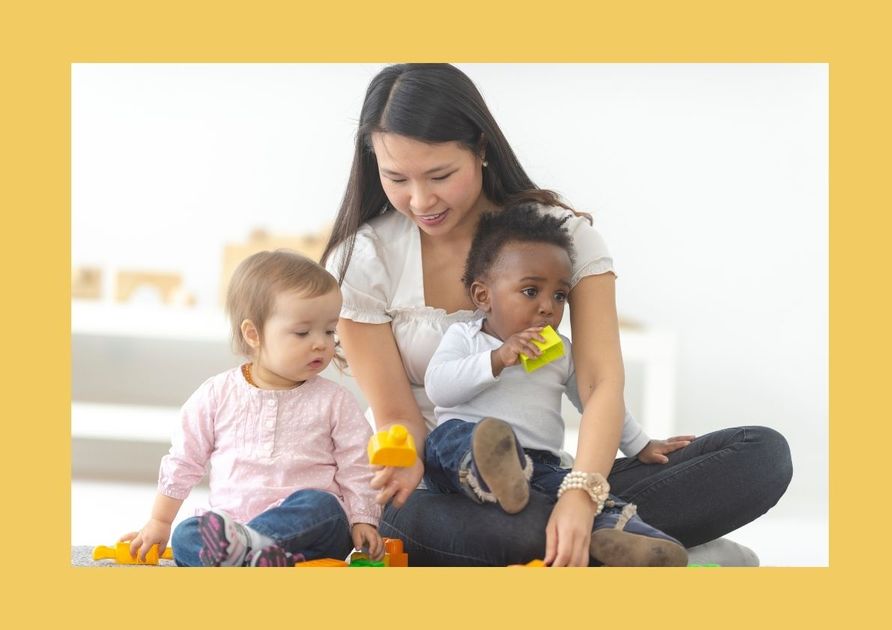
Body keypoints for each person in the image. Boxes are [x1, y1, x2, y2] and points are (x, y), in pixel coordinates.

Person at [322, 63, 792, 567]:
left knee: (761, 455)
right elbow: (398, 416)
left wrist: (581, 492)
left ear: (481, 149)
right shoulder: (363, 259)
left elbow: (597, 384)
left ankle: (592, 534)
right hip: (432, 482)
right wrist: (409, 465)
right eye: (396, 178)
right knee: (504, 528)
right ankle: (646, 544)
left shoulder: (561, 238)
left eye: (440, 175)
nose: (420, 200)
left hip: (548, 474)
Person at [422, 203, 688, 566]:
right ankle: (491, 472)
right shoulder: (466, 338)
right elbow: (438, 387)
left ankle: (628, 538)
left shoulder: (559, 351)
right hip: (457, 460)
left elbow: (596, 400)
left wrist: (640, 443)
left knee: (584, 489)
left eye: (559, 295)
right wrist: (498, 359)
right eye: (531, 292)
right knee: (449, 438)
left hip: (538, 465)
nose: (548, 307)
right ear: (484, 296)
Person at [120, 250, 383, 567]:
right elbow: (183, 460)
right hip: (232, 525)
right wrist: (160, 522)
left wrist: (363, 518)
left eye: (329, 331)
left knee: (322, 507)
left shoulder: (335, 401)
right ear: (253, 334)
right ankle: (250, 556)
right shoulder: (217, 395)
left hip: (308, 531)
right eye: (302, 332)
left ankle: (249, 552)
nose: (321, 343)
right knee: (187, 534)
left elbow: (359, 464)